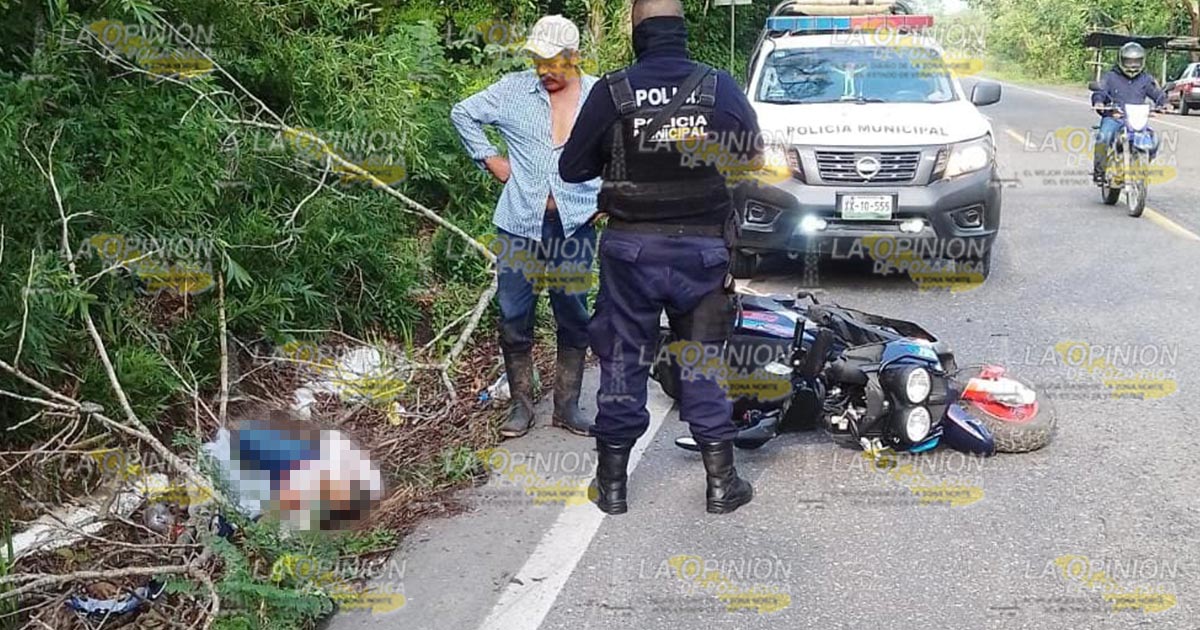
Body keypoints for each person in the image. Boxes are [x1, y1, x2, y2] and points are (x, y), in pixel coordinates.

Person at [559, 0, 761, 515]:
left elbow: (572, 168)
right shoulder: (719, 86)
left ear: (636, 31)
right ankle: (721, 485)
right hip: (703, 253)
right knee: (702, 363)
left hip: (632, 253)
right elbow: (753, 156)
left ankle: (612, 488)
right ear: (682, 30)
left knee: (623, 362)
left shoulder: (614, 90)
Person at [451, 15, 601, 438]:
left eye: (554, 62)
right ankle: (520, 404)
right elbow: (463, 113)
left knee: (572, 312)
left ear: (575, 57)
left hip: (574, 226)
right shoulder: (514, 90)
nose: (544, 70)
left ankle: (567, 405)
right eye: (538, 61)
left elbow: (620, 142)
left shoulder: (598, 95)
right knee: (514, 313)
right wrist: (490, 159)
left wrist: (609, 193)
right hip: (518, 224)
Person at [1090, 42, 1167, 183]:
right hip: (1114, 117)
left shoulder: (1146, 79)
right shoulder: (1110, 77)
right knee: (1103, 138)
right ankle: (1099, 172)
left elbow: (1157, 93)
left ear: (1142, 61)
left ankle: (1142, 163)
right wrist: (1099, 102)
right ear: (1121, 60)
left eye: (1136, 61)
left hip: (1136, 119)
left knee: (1154, 140)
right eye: (1129, 61)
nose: (1132, 65)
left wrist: (1164, 103)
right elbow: (1100, 91)